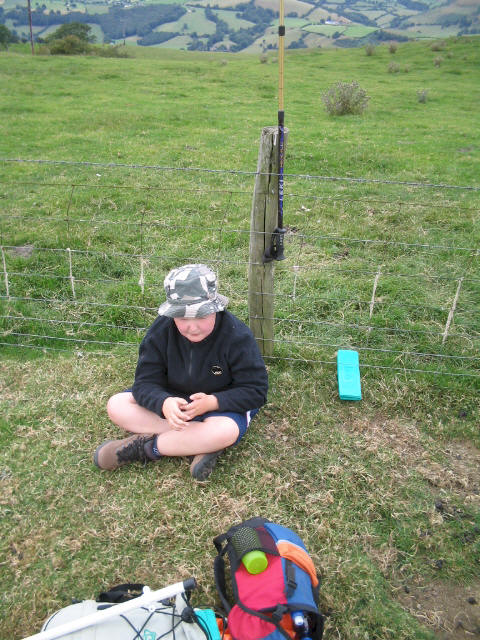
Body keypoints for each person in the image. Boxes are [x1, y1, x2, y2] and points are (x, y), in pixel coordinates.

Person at [94, 264, 268, 480]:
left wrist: (213, 402)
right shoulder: (160, 331)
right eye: (182, 318)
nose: (192, 327)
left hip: (220, 408)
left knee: (225, 431)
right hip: (174, 405)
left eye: (202, 316)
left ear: (215, 309)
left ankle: (147, 449)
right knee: (116, 405)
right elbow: (144, 384)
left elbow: (256, 391)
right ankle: (199, 443)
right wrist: (164, 403)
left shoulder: (237, 336)